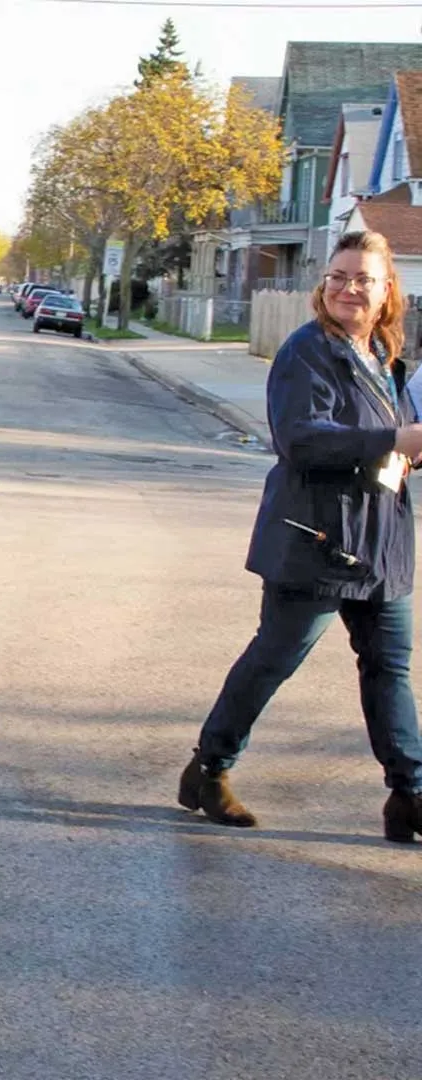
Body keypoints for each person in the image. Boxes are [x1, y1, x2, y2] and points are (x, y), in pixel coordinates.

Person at [181, 229, 422, 843]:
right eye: (338, 276)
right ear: (324, 285)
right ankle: (209, 769)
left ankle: (410, 796)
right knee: (274, 659)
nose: (348, 288)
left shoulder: (384, 356)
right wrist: (393, 441)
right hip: (316, 541)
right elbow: (302, 440)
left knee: (389, 669)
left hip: (381, 542)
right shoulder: (306, 352)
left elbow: (387, 441)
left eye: (362, 278)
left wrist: (409, 451)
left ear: (386, 288)